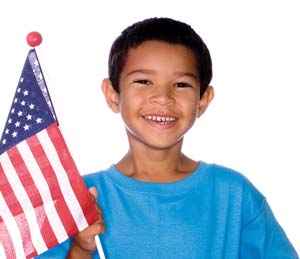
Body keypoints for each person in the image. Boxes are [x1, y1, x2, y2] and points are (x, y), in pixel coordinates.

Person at [36, 17, 299, 259]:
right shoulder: (80, 199)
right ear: (113, 95)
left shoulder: (234, 195)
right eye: (143, 81)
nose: (163, 97)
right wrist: (81, 248)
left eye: (181, 84)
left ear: (203, 101)